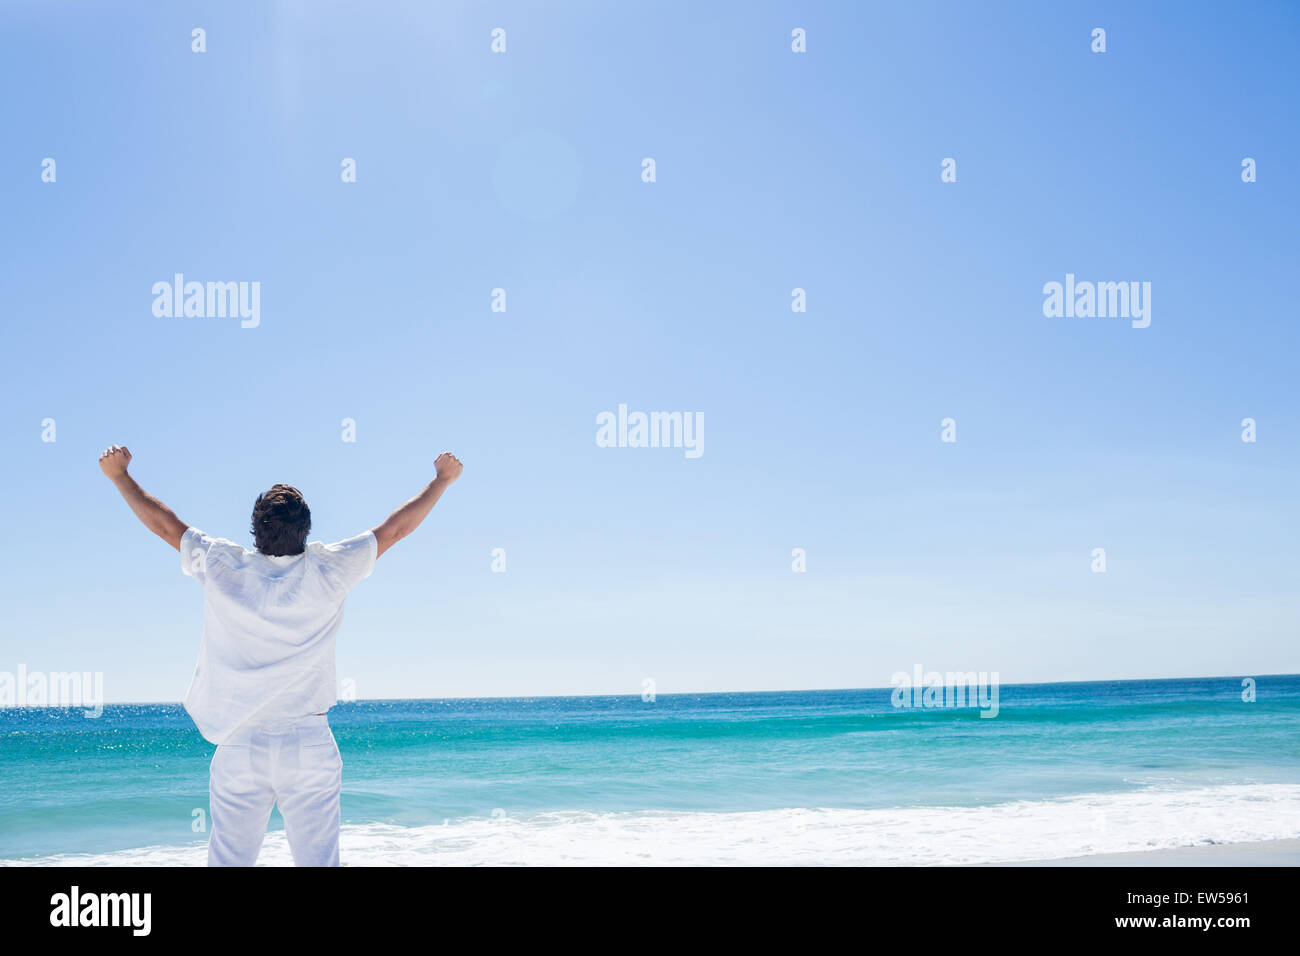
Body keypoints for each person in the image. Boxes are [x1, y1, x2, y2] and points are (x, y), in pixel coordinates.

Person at [97, 444, 463, 866]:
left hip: (240, 743)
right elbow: (396, 530)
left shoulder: (221, 564)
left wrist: (120, 476)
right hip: (308, 744)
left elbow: (164, 525)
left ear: (255, 531)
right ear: (305, 531)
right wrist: (441, 481)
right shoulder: (330, 568)